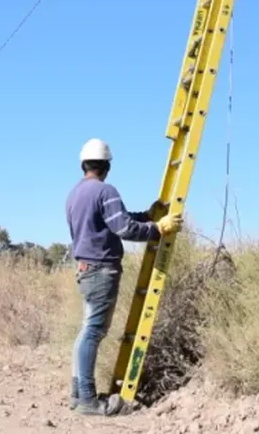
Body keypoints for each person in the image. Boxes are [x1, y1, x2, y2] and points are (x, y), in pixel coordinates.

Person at [65, 138, 183, 417]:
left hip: (85, 269)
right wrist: (158, 228)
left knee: (87, 331)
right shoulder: (106, 190)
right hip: (101, 269)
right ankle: (88, 401)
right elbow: (124, 228)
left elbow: (114, 219)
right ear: (107, 165)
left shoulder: (74, 194)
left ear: (84, 165)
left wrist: (147, 215)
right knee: (92, 332)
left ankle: (77, 394)